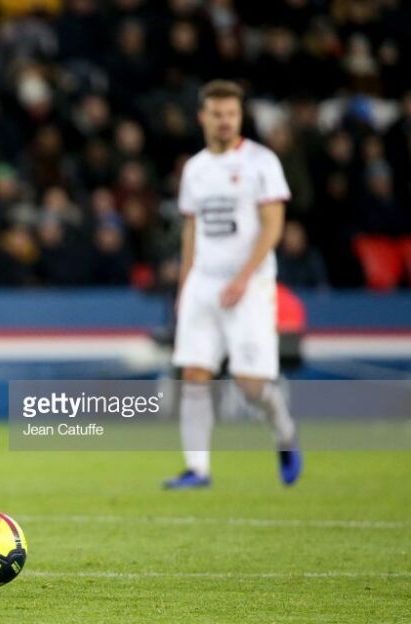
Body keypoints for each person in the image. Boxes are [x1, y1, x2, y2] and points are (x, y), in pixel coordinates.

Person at [166, 80, 302, 489]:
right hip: (204, 284)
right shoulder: (195, 169)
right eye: (217, 114)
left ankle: (285, 433)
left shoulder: (262, 162)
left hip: (251, 286)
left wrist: (244, 278)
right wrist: (185, 286)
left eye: (231, 114)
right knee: (194, 373)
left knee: (250, 384)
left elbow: (273, 225)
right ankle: (197, 469)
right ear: (202, 117)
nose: (225, 121)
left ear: (240, 117)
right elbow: (191, 229)